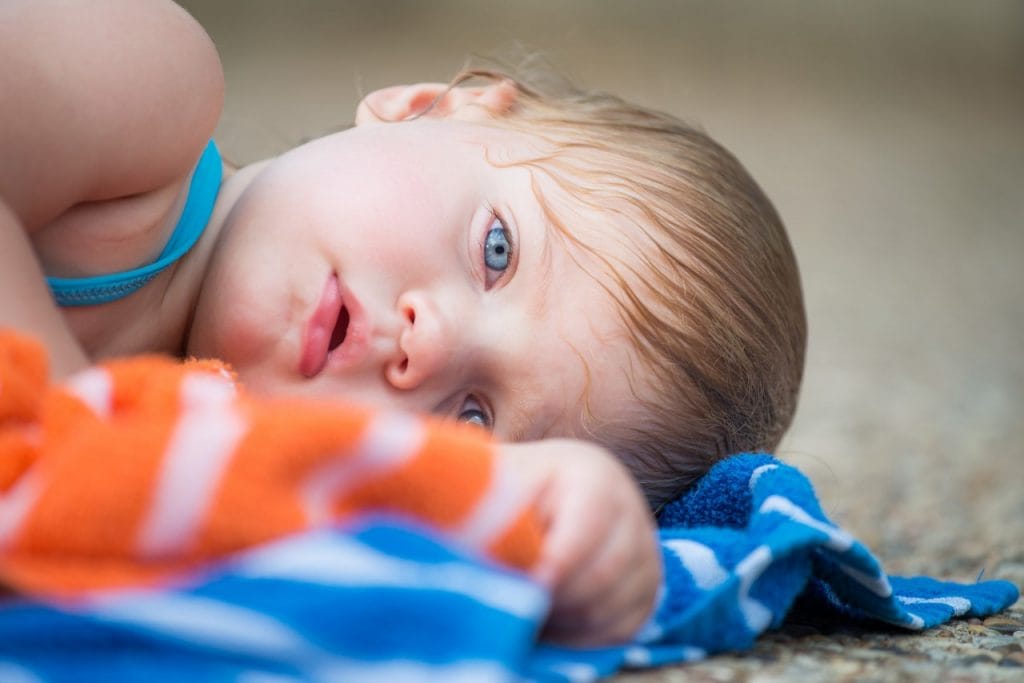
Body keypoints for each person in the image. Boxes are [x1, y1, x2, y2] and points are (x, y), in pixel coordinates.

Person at [0, 0, 805, 646]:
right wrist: (73, 444)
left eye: (475, 419)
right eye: (497, 250)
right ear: (424, 107)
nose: (435, 341)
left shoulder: (206, 470)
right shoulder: (152, 80)